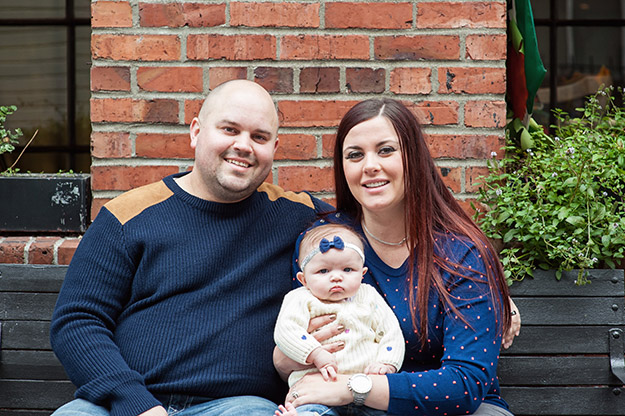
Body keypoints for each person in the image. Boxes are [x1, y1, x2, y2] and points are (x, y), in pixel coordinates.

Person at [49, 80, 331, 416]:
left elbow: (376, 224)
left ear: (274, 147)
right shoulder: (128, 216)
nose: (244, 146)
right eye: (229, 129)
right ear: (196, 132)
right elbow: (77, 320)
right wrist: (137, 404)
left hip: (236, 407)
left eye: (259, 137)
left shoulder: (300, 217)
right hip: (124, 405)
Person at [274, 98, 519, 416]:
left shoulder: (462, 254)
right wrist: (288, 359)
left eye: (386, 150)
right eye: (355, 155)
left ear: (413, 158)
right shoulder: (326, 244)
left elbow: (466, 384)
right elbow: (296, 349)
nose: (370, 165)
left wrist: (354, 387)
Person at [274, 223, 405, 416]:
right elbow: (287, 331)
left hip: (367, 392)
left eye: (347, 269)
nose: (336, 277)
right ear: (303, 279)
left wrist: (387, 363)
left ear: (362, 274)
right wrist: (315, 353)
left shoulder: (369, 296)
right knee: (313, 411)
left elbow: (390, 332)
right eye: (323, 271)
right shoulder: (300, 298)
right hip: (316, 391)